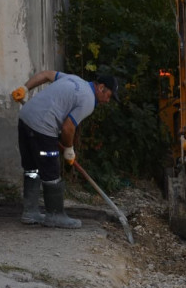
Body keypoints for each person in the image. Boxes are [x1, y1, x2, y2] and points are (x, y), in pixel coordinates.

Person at [11, 71, 119, 228]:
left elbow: (46, 75)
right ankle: (55, 215)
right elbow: (68, 127)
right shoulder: (88, 100)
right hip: (43, 127)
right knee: (51, 171)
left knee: (32, 168)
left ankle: (30, 212)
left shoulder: (74, 79)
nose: (108, 101)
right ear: (101, 87)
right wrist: (69, 149)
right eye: (109, 95)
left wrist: (25, 88)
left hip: (25, 119)